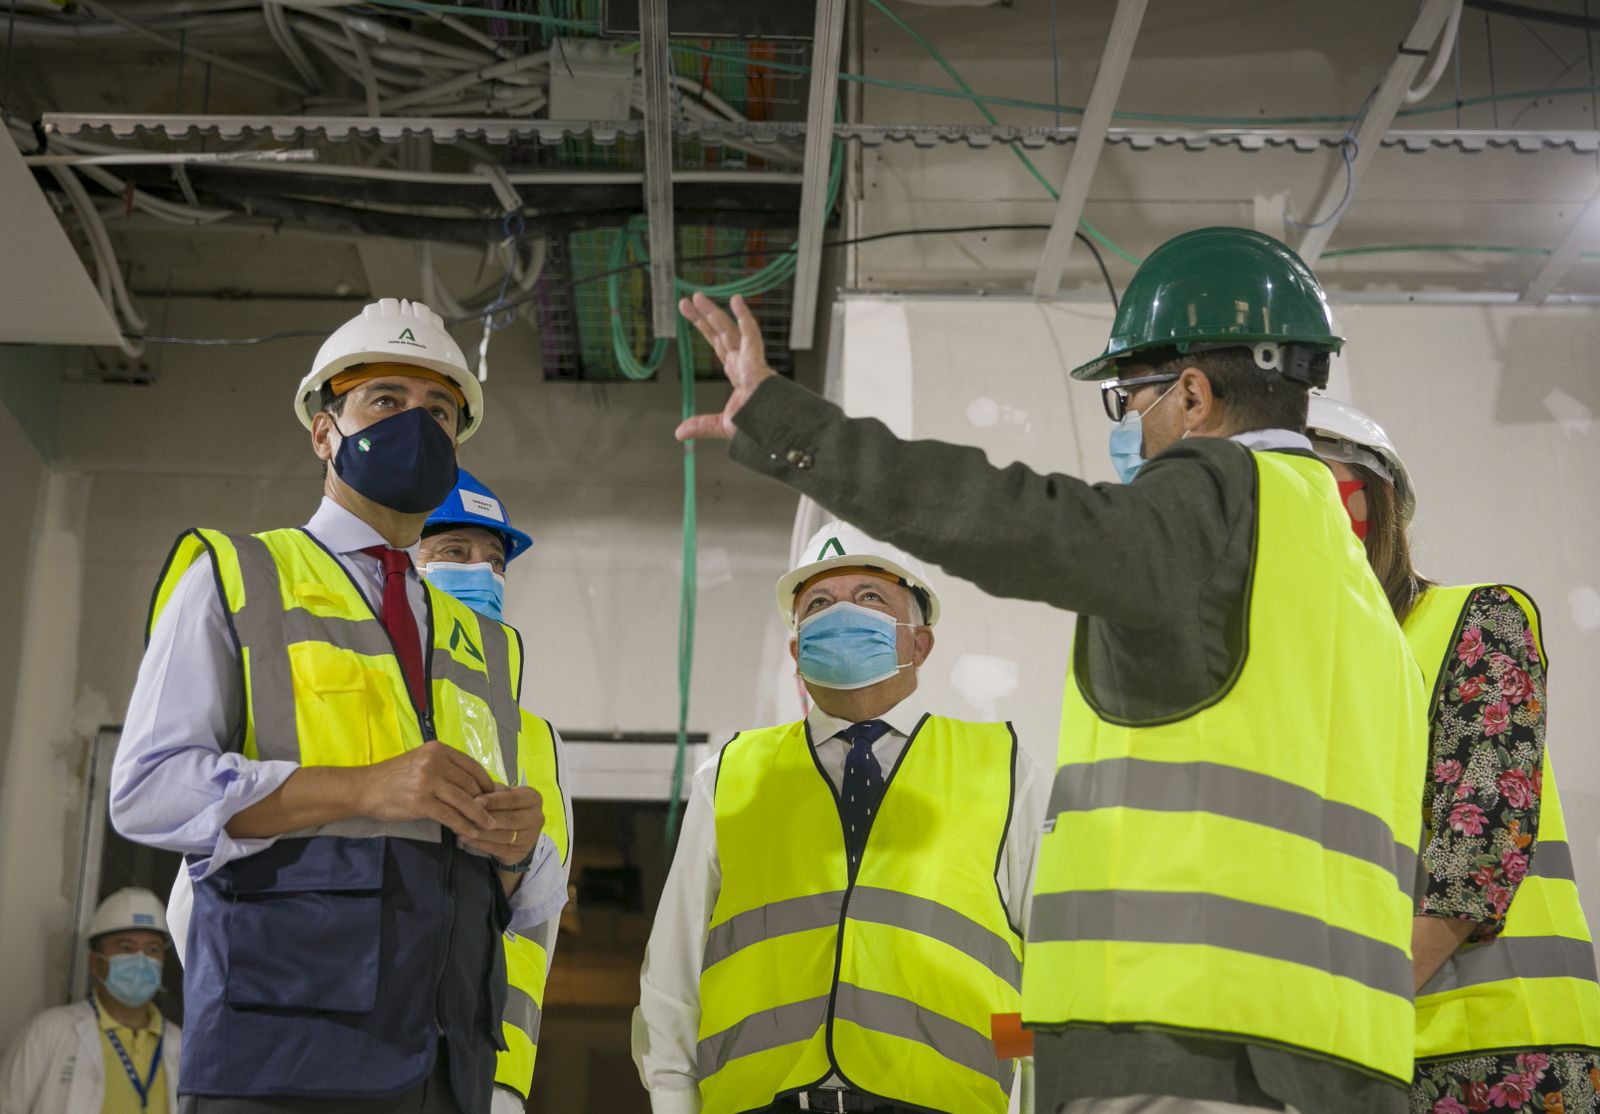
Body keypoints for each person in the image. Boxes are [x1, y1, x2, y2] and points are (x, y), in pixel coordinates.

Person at [676, 228, 1427, 1114]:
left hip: (1191, 1046)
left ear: (1191, 392)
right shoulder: (1357, 593)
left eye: (1130, 399)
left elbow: (1019, 521)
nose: (1132, 431)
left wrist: (785, 420)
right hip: (1344, 1062)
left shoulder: (1220, 497)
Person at [110, 298, 550, 1114]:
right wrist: (362, 787)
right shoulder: (238, 576)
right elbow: (149, 790)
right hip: (281, 1060)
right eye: (386, 400)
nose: (417, 425)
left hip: (447, 1067)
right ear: (324, 430)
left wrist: (519, 850)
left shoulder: (484, 643)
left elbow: (504, 879)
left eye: (440, 413)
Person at [157, 465, 571, 1114]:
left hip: (464, 1070)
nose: (482, 577)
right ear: (400, 565)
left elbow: (532, 923)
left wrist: (502, 1082)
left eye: (496, 562)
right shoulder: (349, 693)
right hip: (304, 1063)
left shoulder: (532, 737)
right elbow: (201, 899)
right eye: (454, 553)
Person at [633, 522, 1044, 1114]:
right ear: (798, 651)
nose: (840, 615)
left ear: (919, 643)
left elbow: (1047, 972)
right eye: (819, 605)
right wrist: (673, 1100)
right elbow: (674, 975)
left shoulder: (1004, 771)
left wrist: (1024, 1095)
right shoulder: (731, 777)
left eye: (869, 597)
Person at [1306, 397, 1600, 1114]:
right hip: (1372, 1057)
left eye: (1315, 491)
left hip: (1502, 1055)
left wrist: (1358, 1007)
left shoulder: (1474, 619)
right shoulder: (1301, 679)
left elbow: (1482, 845)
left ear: (1376, 505)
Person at [0, 888, 183, 1114]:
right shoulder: (50, 1031)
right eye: (126, 948)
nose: (141, 959)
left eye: (152, 949)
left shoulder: (181, 1045)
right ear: (96, 963)